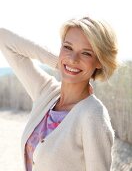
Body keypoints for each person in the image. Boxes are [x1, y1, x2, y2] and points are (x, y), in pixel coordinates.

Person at [0, 16, 118, 171]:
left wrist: (68, 64)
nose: (73, 58)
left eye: (86, 53)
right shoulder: (46, 93)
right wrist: (61, 62)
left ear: (99, 61)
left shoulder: (93, 116)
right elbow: (4, 38)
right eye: (68, 47)